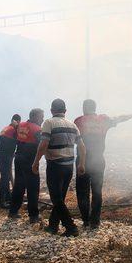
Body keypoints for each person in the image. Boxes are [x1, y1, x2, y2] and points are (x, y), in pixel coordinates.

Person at [74, 100, 132, 228]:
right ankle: (95, 221)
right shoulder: (103, 119)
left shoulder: (78, 121)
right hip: (98, 160)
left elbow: (72, 138)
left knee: (82, 192)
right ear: (95, 108)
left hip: (82, 160)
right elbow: (120, 118)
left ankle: (85, 220)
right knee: (97, 191)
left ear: (84, 108)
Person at [32, 99, 86, 237]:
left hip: (55, 166)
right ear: (65, 111)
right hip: (69, 167)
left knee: (56, 199)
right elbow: (82, 147)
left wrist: (36, 161)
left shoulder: (49, 123)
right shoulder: (73, 125)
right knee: (60, 197)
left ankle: (71, 227)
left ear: (51, 111)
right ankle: (53, 226)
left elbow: (43, 144)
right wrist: (81, 164)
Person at [8, 108, 44, 223]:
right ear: (36, 117)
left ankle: (13, 211)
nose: (43, 119)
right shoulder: (38, 129)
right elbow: (42, 145)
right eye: (41, 117)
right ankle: (33, 215)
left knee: (19, 185)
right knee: (33, 188)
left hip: (18, 158)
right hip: (30, 161)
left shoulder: (21, 125)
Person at [0, 114, 21, 208]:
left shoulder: (6, 128)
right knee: (5, 177)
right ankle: (1, 201)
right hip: (4, 156)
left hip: (1, 155)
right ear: (16, 121)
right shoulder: (13, 130)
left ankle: (7, 198)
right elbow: (19, 141)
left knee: (6, 176)